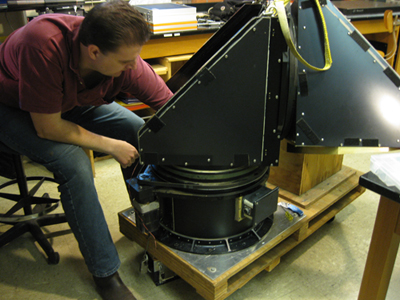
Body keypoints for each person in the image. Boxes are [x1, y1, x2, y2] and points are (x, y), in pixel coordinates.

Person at [0, 1, 173, 299]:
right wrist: (110, 146)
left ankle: (147, 220)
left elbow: (170, 106)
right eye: (125, 62)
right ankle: (106, 275)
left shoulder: (121, 53)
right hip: (15, 109)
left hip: (69, 101)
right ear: (94, 52)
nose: (134, 66)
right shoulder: (42, 45)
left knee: (136, 129)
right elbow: (48, 128)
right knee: (75, 164)